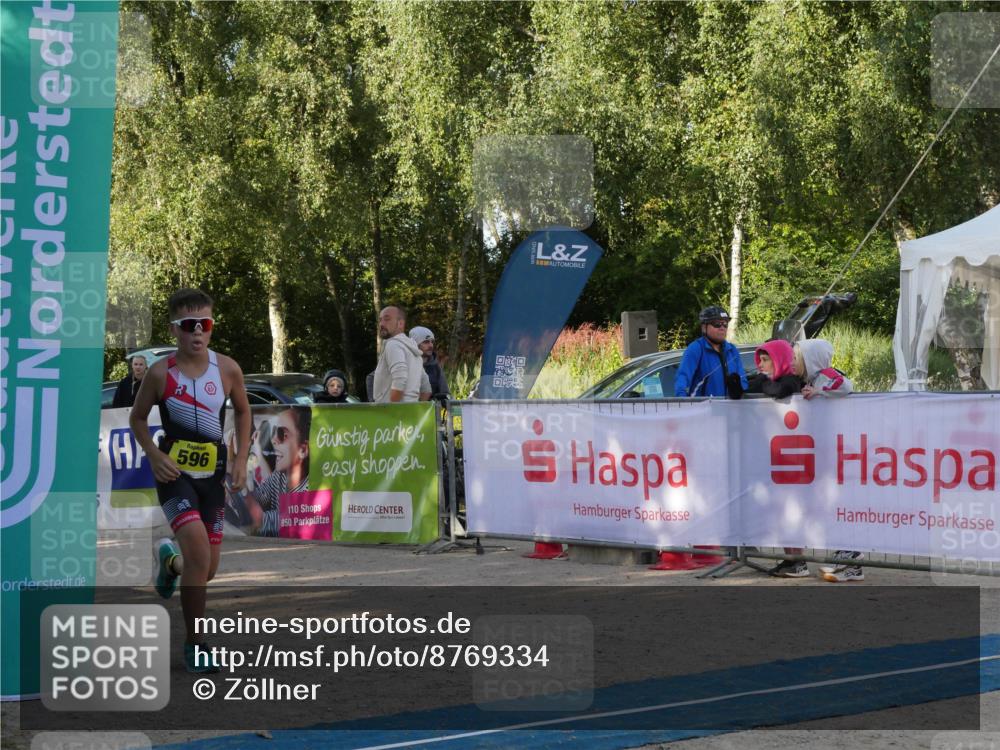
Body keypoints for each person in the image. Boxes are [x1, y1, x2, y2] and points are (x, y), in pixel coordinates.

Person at [129, 288, 251, 674]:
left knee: (206, 568)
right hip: (174, 475)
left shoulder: (227, 368)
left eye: (205, 325)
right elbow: (136, 418)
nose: (198, 333)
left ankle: (170, 562)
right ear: (175, 330)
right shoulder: (161, 373)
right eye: (189, 326)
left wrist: (242, 458)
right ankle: (195, 644)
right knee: (200, 555)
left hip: (212, 476)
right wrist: (154, 453)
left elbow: (245, 412)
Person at [794, 338, 862, 582]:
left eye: (797, 357)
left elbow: (846, 385)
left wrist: (819, 392)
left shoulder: (825, 374)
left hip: (835, 452)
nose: (793, 362)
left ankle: (849, 558)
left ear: (809, 359)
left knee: (837, 504)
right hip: (827, 451)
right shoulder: (813, 379)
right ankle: (851, 564)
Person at [744, 339, 809, 578]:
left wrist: (763, 386)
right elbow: (744, 391)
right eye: (759, 360)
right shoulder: (765, 380)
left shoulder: (792, 380)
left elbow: (780, 390)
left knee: (792, 510)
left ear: (779, 359)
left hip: (795, 456)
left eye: (765, 359)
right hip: (773, 456)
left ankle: (798, 560)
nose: (760, 365)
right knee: (779, 511)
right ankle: (790, 558)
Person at [244, 407, 311, 536]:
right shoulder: (279, 476)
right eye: (274, 432)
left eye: (282, 434)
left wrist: (242, 487)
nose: (274, 439)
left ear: (302, 450)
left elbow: (260, 522)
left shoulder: (308, 492)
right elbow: (259, 498)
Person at [674, 306, 747, 398]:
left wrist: (739, 389)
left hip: (730, 409)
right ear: (704, 327)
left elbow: (743, 379)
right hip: (704, 409)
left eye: (725, 324)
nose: (722, 328)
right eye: (717, 324)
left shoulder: (732, 350)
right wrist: (683, 403)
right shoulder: (696, 349)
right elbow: (682, 379)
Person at [372, 306, 431, 403]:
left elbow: (400, 377)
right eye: (380, 320)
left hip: (391, 414)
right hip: (411, 412)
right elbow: (426, 388)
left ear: (400, 323)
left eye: (387, 319)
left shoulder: (393, 344)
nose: (382, 324)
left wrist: (394, 409)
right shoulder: (413, 350)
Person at [409, 326, 450, 399]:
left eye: (432, 342)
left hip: (430, 409)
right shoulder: (405, 364)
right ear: (414, 344)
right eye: (426, 342)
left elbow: (445, 394)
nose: (431, 345)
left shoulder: (435, 367)